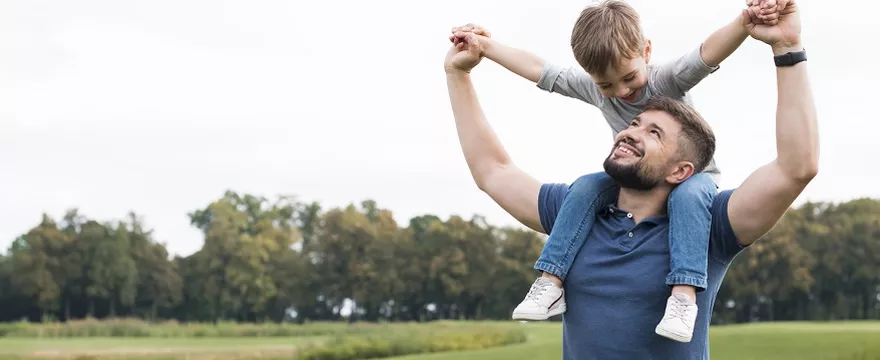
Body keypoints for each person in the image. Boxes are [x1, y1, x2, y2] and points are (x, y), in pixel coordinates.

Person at [444, 0, 815, 357]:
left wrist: (787, 46)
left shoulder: (709, 224)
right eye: (634, 123)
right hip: (590, 203)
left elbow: (796, 167)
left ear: (681, 169)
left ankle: (682, 296)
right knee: (588, 182)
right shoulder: (577, 211)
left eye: (655, 133)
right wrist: (461, 70)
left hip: (695, 199)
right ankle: (548, 284)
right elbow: (493, 170)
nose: (631, 127)